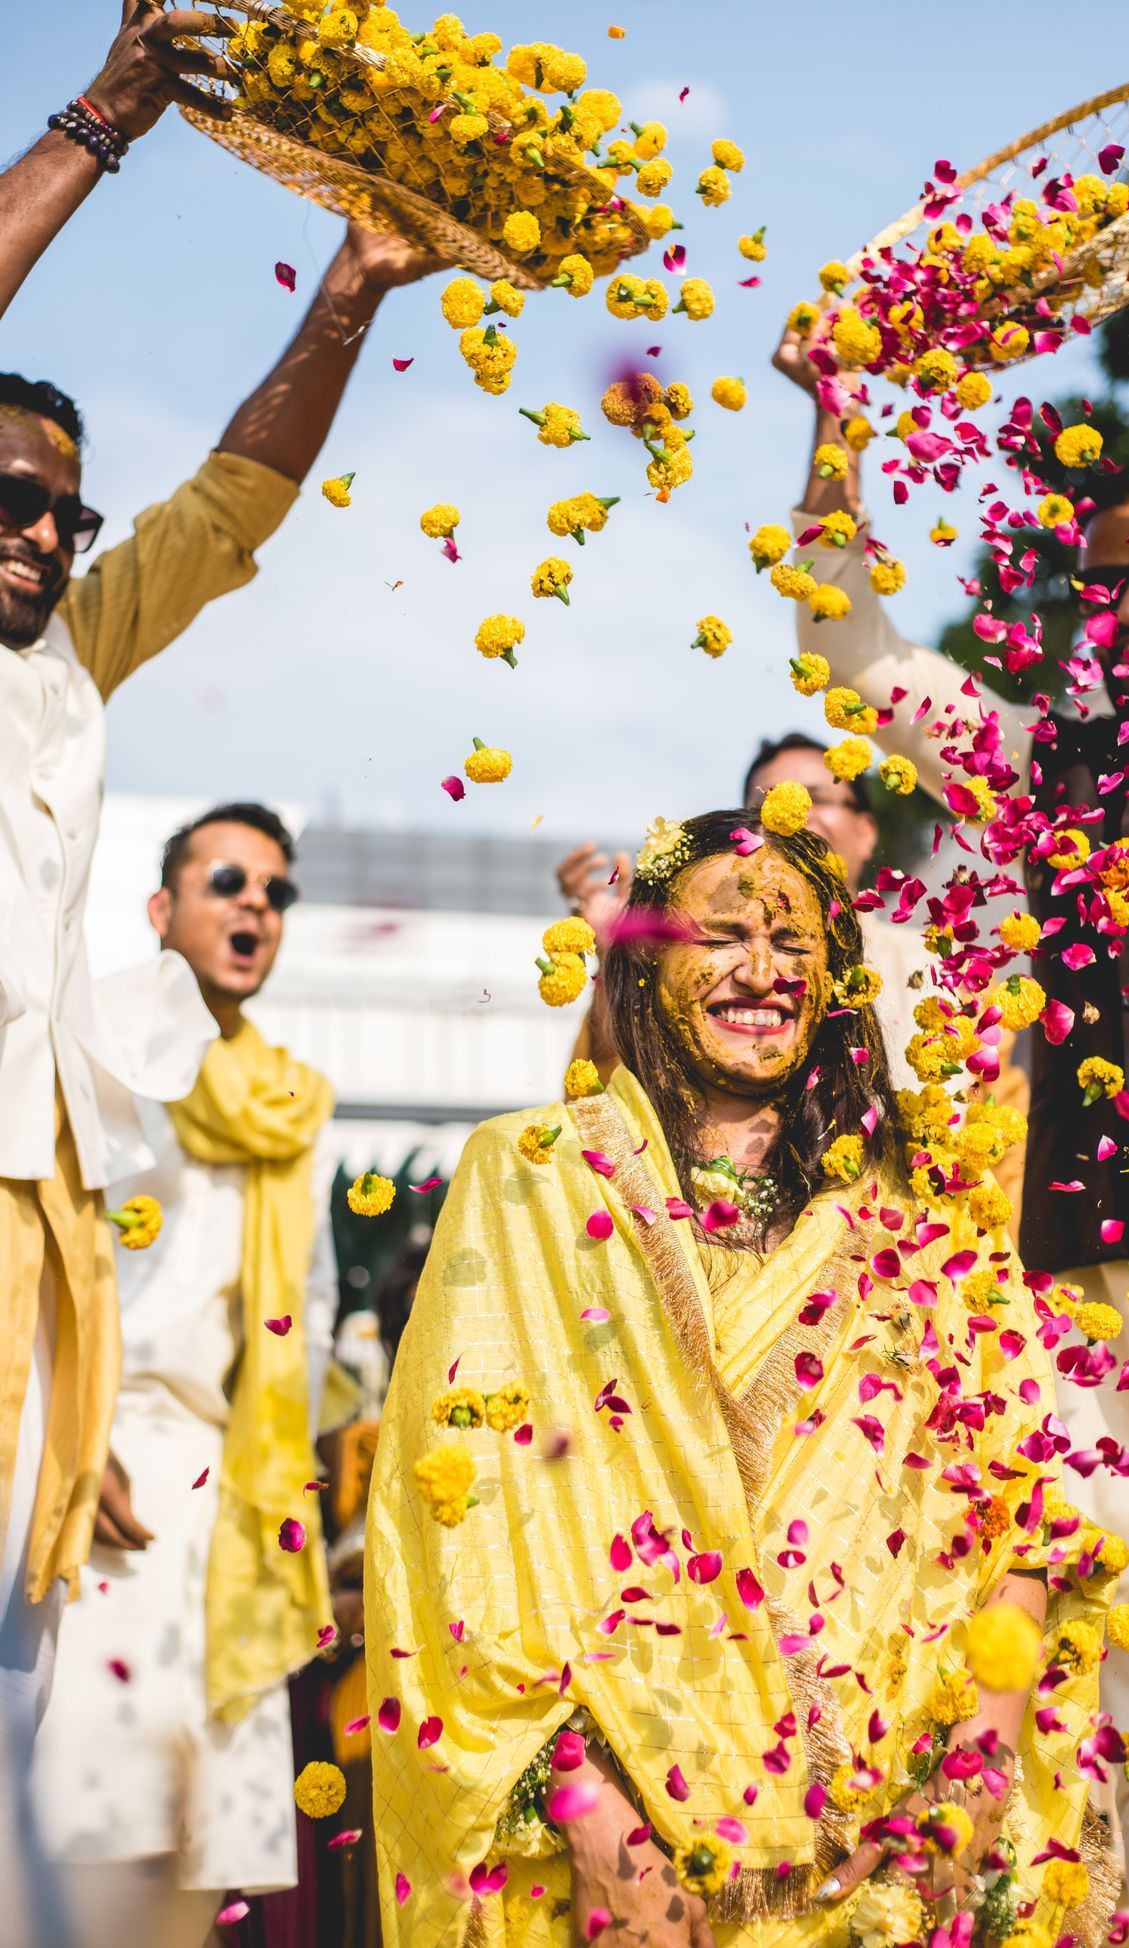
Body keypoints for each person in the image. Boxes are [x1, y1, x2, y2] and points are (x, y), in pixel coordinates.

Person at [774, 85, 1129, 1948]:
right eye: (1116, 581)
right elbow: (845, 636)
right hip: (1103, 1264)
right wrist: (832, 425)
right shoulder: (1033, 763)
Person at [367, 809, 1118, 1947]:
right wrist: (584, 1812)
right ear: (643, 958)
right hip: (631, 1858)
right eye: (721, 934)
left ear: (838, 983)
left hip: (895, 1845)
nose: (762, 971)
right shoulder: (531, 1180)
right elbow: (457, 1541)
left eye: (796, 945)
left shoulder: (915, 1210)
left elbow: (1024, 1509)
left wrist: (971, 1763)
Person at [0, 2, 443, 1743]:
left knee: (26, 1702)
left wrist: (351, 294)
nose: (44, 533)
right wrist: (101, 124)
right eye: (11, 499)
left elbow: (229, 506)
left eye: (64, 515)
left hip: (39, 1225)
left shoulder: (70, 661)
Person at [33, 803, 339, 1948]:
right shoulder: (97, 1037)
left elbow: (302, 1315)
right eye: (226, 879)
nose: (255, 902)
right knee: (88, 1825)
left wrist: (290, 1493)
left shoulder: (289, 1099)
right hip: (95, 1469)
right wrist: (68, 1429)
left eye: (276, 890)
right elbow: (43, 1247)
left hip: (235, 1494)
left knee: (206, 1858)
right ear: (162, 908)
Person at [557, 735, 1029, 1231]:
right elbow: (606, 1112)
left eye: (815, 797)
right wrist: (621, 964)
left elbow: (996, 1168)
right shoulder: (691, 966)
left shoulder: (946, 980)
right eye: (767, 803)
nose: (790, 813)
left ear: (866, 831)